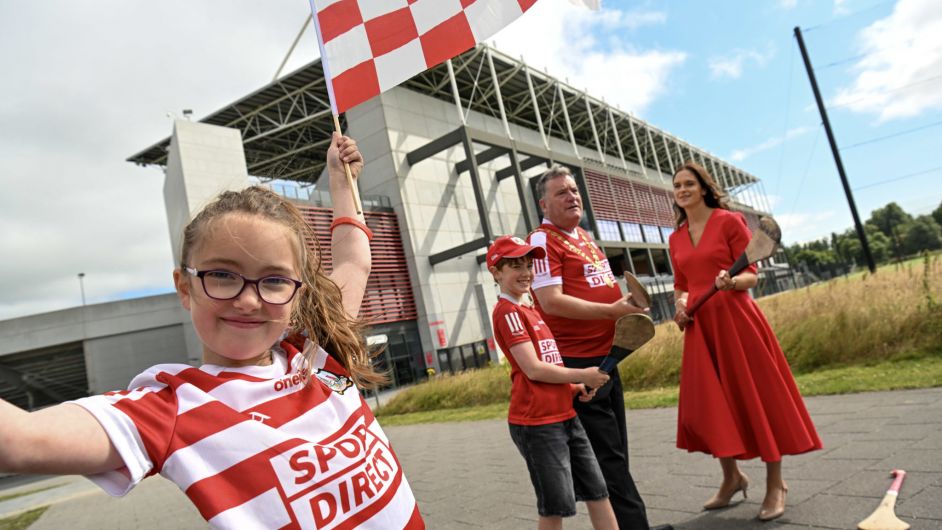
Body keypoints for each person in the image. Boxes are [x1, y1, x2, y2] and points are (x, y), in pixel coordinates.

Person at [0, 133, 424, 529]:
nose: (249, 299)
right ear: (185, 287)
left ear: (297, 293)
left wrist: (340, 180)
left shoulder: (318, 355)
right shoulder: (171, 410)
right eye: (223, 275)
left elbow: (354, 262)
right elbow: (18, 441)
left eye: (274, 280)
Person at [668, 161, 822, 522]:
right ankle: (732, 477)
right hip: (701, 327)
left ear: (704, 188)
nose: (682, 190)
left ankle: (775, 485)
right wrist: (679, 305)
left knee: (758, 400)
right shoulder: (675, 237)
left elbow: (751, 276)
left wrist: (730, 281)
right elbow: (681, 282)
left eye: (689, 183)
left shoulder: (728, 221)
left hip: (737, 322)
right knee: (713, 405)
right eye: (677, 186)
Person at [527, 165, 669, 530]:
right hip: (579, 364)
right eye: (561, 192)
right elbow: (550, 301)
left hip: (608, 357)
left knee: (616, 452)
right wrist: (611, 309)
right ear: (544, 203)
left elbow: (596, 289)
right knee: (608, 459)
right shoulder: (543, 240)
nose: (572, 196)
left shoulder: (585, 238)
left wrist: (625, 304)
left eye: (574, 190)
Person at [487, 235, 617, 530]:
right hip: (537, 423)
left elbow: (551, 366)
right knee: (555, 505)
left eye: (528, 264)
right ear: (496, 272)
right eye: (514, 266)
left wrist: (573, 387)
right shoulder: (508, 313)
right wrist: (583, 373)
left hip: (564, 414)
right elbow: (533, 370)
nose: (526, 272)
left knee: (598, 491)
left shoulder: (531, 309)